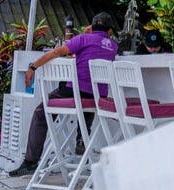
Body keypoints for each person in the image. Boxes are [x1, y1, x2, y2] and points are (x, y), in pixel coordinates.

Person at [9, 12, 119, 177]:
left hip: (75, 93)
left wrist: (33, 67)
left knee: (41, 112)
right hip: (98, 97)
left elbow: (56, 53)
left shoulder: (83, 39)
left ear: (91, 26)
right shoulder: (113, 46)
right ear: (109, 31)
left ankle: (30, 162)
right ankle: (81, 137)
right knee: (87, 96)